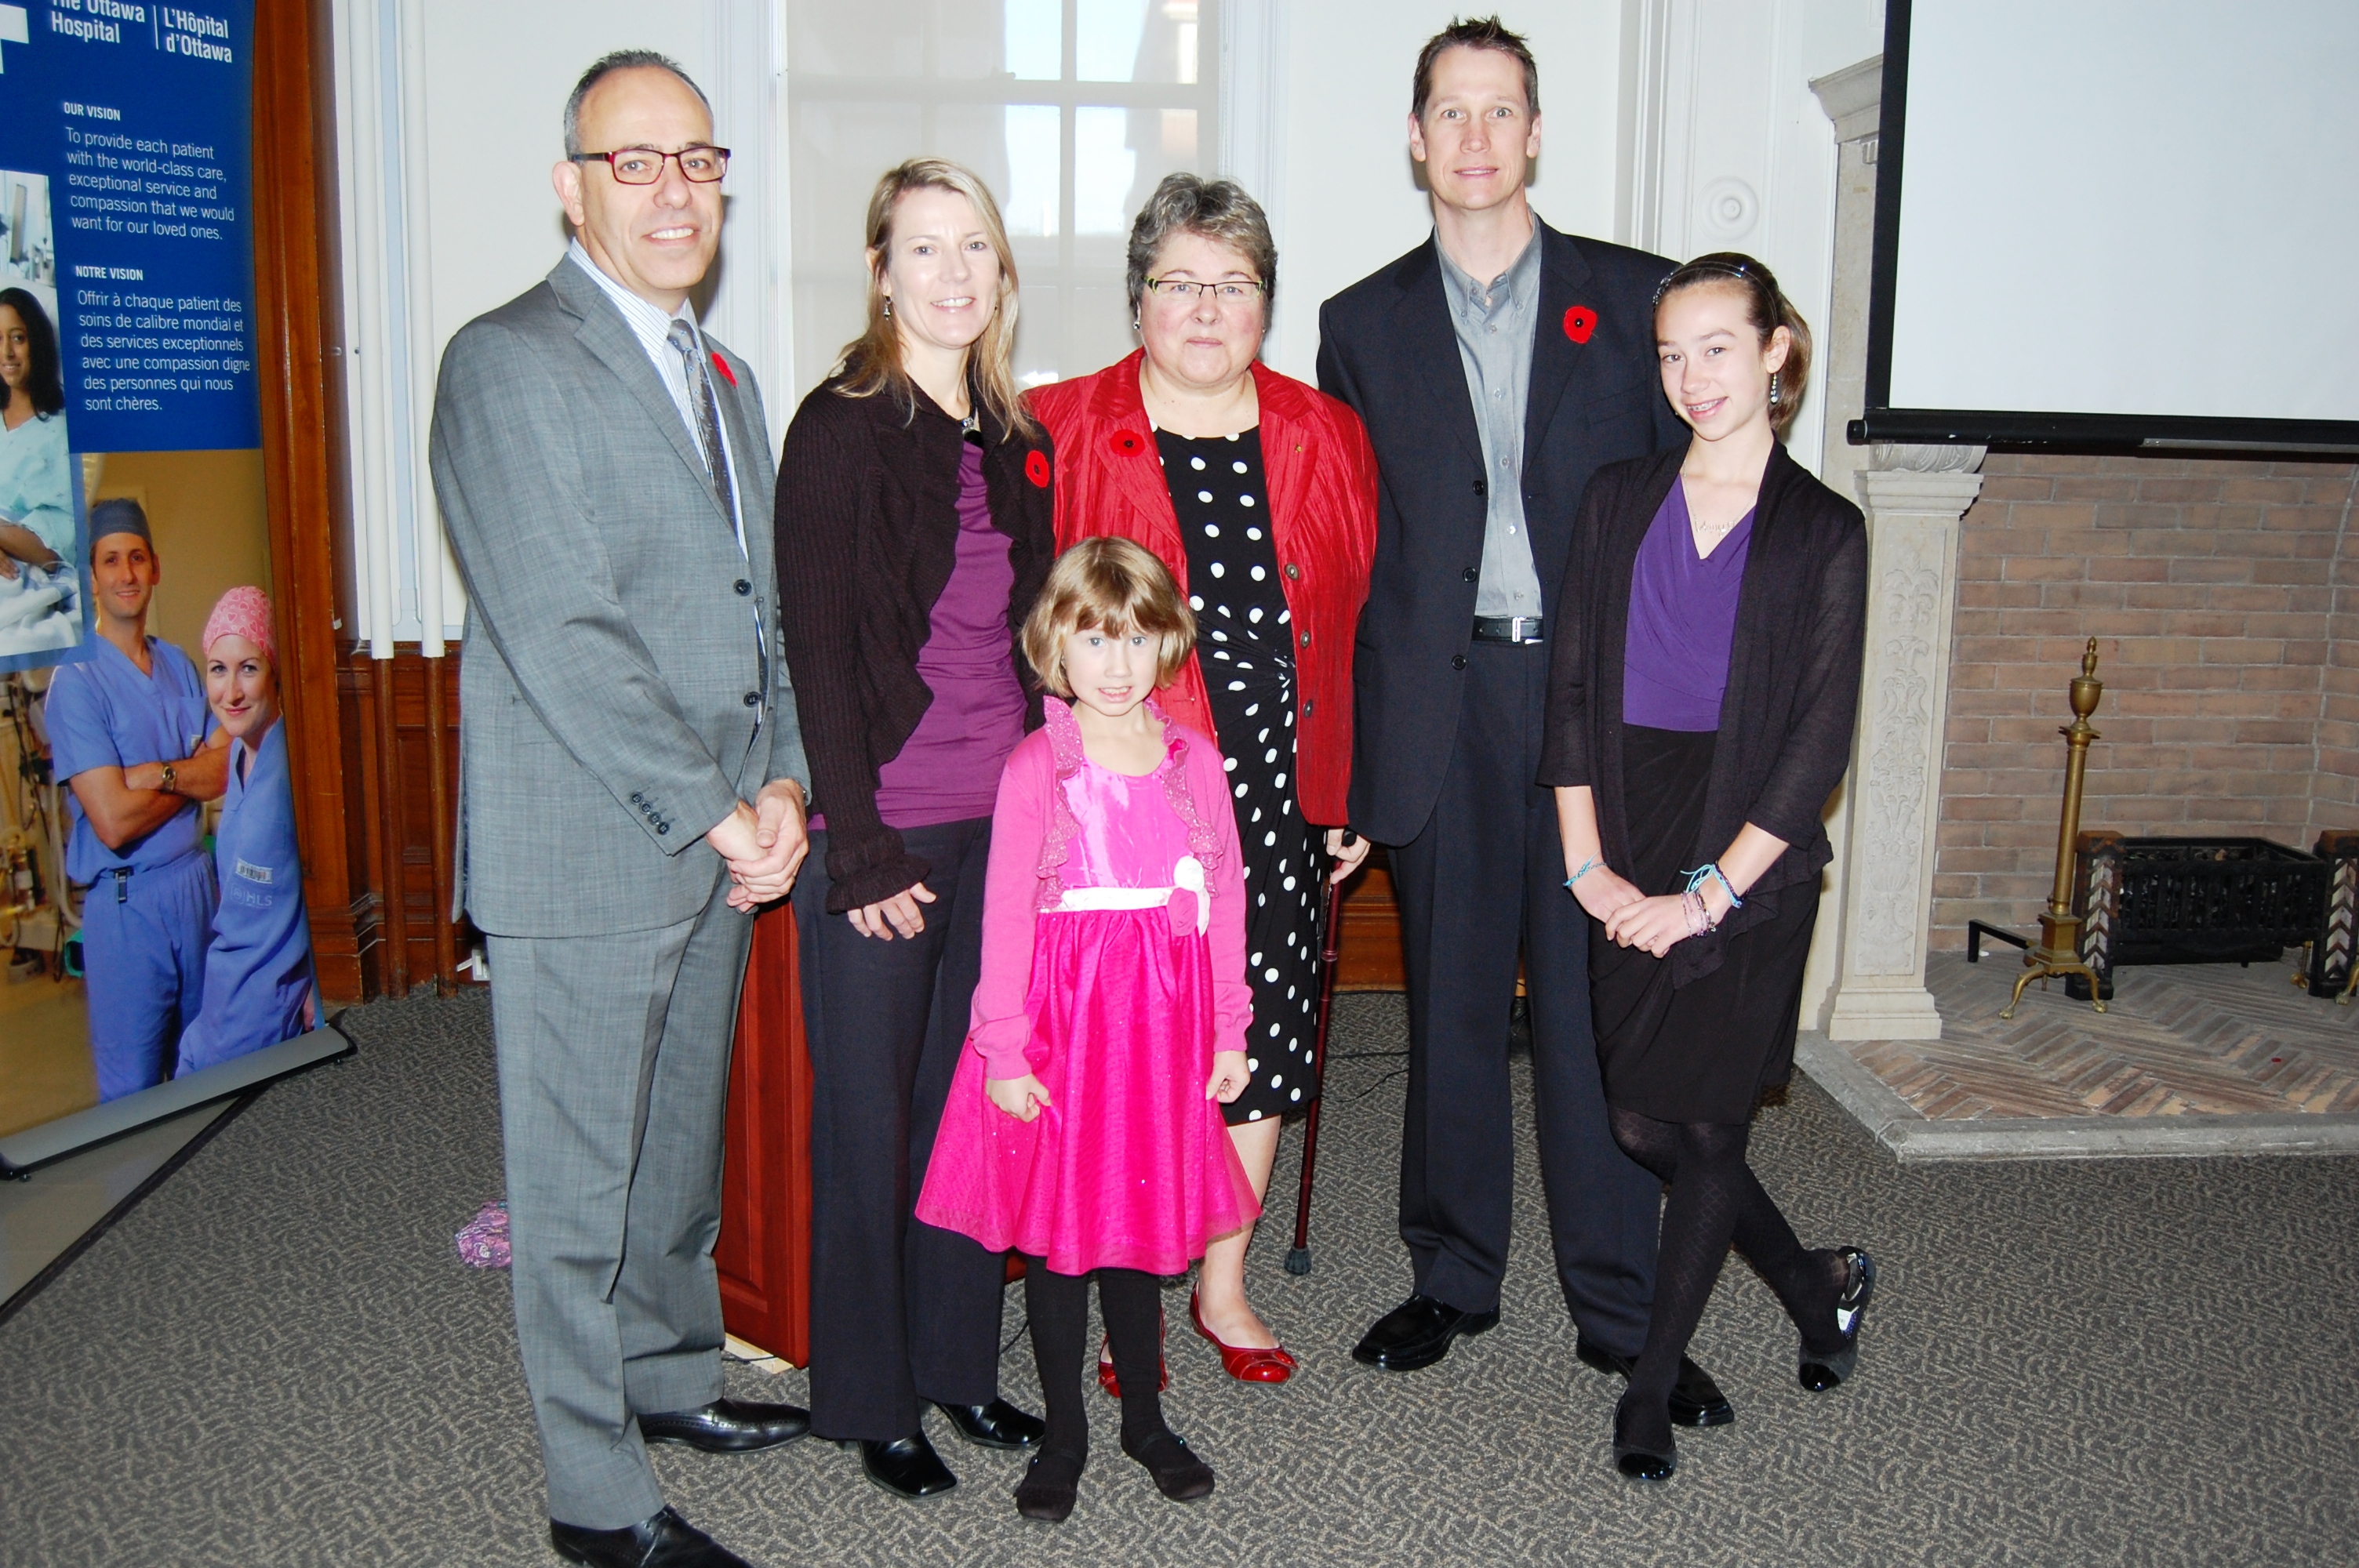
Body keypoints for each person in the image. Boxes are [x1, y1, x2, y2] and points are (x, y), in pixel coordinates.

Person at [1317, 16, 1733, 1424]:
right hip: (1436, 710)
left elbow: (1696, 518)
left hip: (1594, 710)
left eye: (1503, 112)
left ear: (1536, 134)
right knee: (1443, 1006)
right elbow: (1351, 548)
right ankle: (1452, 1275)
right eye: (1452, 113)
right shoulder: (1357, 325)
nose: (1478, 138)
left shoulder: (1632, 300)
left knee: (1589, 1012)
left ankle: (1619, 1308)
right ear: (1417, 141)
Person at [428, 52, 812, 1568]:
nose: (671, 191)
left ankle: (666, 1380)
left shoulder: (728, 380)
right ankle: (597, 1502)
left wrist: (784, 781)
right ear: (570, 185)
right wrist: (725, 813)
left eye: (695, 161)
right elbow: (561, 632)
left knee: (672, 1163)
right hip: (587, 846)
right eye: (632, 161)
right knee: (575, 1191)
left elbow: (762, 612)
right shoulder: (503, 359)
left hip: (719, 834)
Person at [1030, 172, 1376, 1385]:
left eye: (1235, 286)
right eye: (1182, 283)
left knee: (1263, 1039)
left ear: (1266, 306)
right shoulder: (1059, 425)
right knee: (1135, 1047)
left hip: (1278, 805)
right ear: (1139, 302)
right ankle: (1135, 1285)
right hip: (1125, 808)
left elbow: (1355, 623)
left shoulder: (1324, 434)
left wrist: (1343, 792)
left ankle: (1223, 1289)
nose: (1208, 308)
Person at [1541, 252, 1874, 1481]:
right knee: (1639, 1118)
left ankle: (1647, 1390)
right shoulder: (1617, 496)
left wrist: (1710, 897)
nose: (1693, 378)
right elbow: (1571, 693)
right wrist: (1588, 871)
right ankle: (1813, 1280)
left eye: (1718, 348)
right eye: (1673, 354)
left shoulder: (1826, 532)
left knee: (1711, 1127)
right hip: (1623, 824)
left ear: (1776, 348)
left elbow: (1817, 743)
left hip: (1752, 853)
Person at [772, 158, 1052, 1501]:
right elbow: (817, 652)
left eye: (974, 251)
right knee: (872, 1126)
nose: (951, 276)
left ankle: (956, 1368)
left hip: (1002, 831)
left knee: (972, 1117)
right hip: (884, 833)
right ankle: (870, 1398)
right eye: (923, 251)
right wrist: (861, 847)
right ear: (879, 271)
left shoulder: (1014, 437)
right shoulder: (837, 426)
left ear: (1002, 275)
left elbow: (1032, 649)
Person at [916, 537, 1259, 1523]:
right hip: (1067, 1033)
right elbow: (1005, 918)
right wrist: (1002, 1048)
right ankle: (1064, 1427)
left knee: (1140, 1231)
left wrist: (1227, 1031)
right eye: (1094, 639)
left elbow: (1227, 900)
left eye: (1138, 637)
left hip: (1161, 1031)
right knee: (1065, 1238)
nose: (1116, 663)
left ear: (1168, 644)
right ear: (1053, 647)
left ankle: (1143, 1417)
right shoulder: (1038, 766)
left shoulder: (1195, 763)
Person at [42, 499, 228, 1101]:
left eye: (137, 559)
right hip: (129, 906)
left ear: (156, 570)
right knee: (135, 1095)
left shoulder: (177, 664)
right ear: (91, 577)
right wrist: (188, 773)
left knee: (210, 1069)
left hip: (197, 883)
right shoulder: (76, 683)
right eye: (111, 561)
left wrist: (157, 775)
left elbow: (225, 768)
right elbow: (115, 821)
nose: (126, 574)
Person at [173, 587, 316, 1075]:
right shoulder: (237, 752)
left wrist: (319, 985)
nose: (230, 692)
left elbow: (330, 884)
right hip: (222, 994)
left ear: (275, 672)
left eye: (248, 668)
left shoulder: (296, 767)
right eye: (218, 669)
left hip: (266, 1010)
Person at [0, 287, 72, 579]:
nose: (7, 352)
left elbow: (54, 550)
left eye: (18, 338)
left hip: (20, 573)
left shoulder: (59, 434)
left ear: (37, 343)